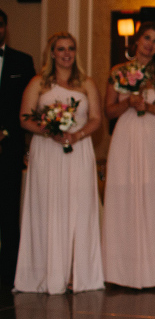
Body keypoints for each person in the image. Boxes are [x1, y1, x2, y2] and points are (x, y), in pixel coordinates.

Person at [14, 32, 104, 294]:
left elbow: (96, 118)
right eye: (61, 49)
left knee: (79, 207)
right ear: (51, 53)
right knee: (48, 208)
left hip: (78, 149)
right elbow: (23, 118)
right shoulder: (37, 84)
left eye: (71, 49)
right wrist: (48, 132)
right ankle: (47, 272)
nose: (67, 53)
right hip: (47, 151)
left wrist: (76, 135)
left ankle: (79, 274)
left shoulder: (86, 83)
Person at [102, 21, 155, 289]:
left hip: (154, 139)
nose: (151, 45)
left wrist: (148, 106)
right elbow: (108, 111)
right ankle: (121, 272)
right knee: (124, 198)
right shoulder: (118, 71)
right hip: (125, 138)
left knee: (154, 199)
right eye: (147, 38)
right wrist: (127, 103)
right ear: (137, 40)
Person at [0, 8, 36, 289]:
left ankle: (9, 274)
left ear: (6, 27)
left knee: (9, 214)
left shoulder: (22, 62)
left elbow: (31, 107)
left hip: (8, 149)